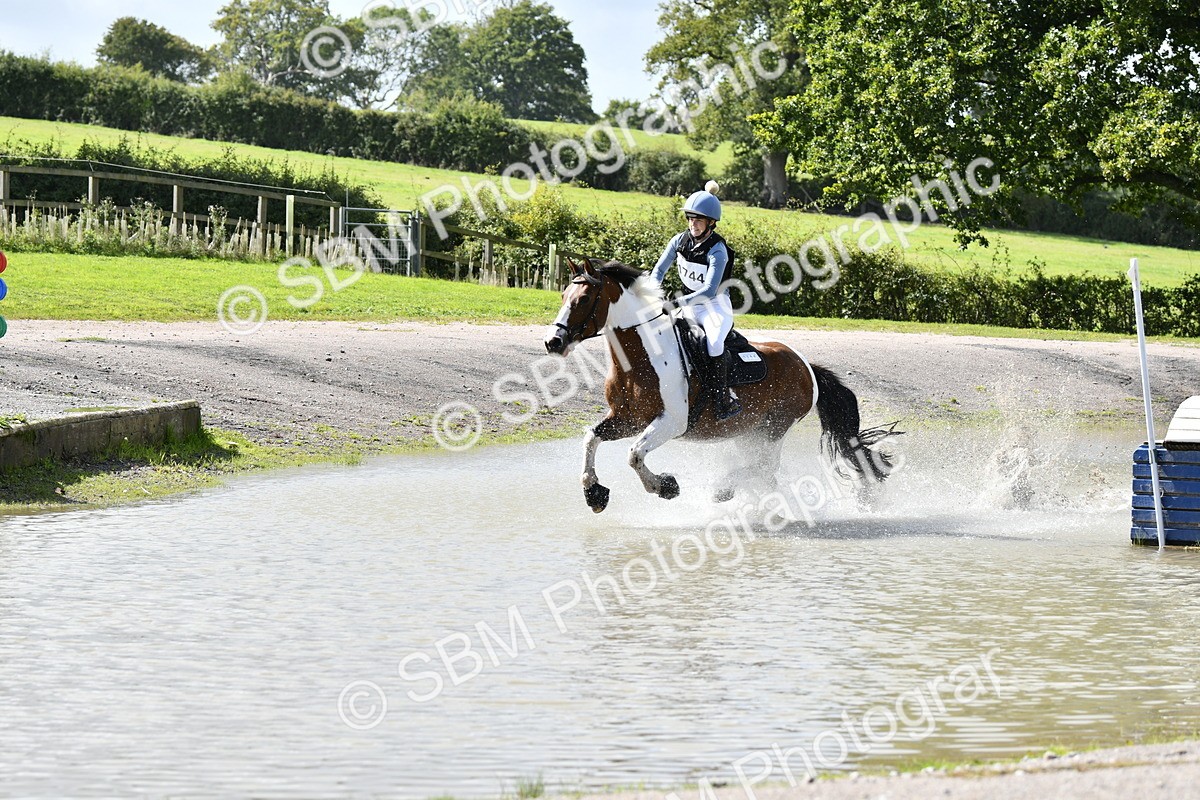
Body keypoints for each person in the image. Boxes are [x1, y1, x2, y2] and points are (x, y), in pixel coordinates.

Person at [650, 180, 741, 421]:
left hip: (714, 307)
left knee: (713, 345)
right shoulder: (678, 241)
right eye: (690, 218)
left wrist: (675, 304)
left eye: (699, 220)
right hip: (688, 304)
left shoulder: (717, 250)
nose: (693, 224)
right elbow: (658, 272)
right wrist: (650, 294)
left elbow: (710, 291)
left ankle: (724, 398)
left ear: (711, 223)